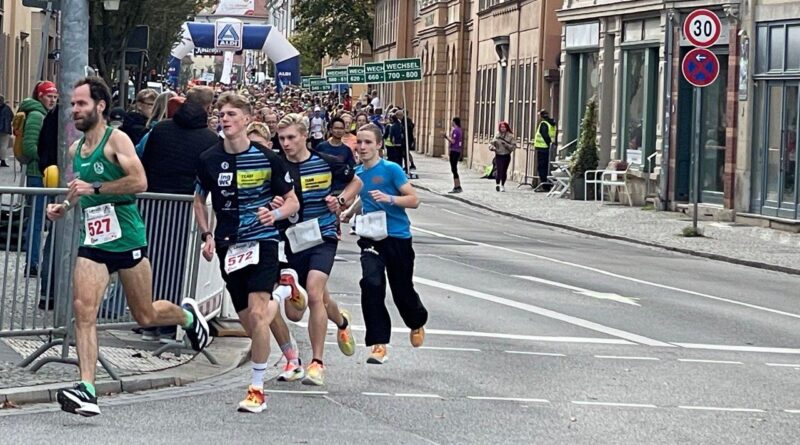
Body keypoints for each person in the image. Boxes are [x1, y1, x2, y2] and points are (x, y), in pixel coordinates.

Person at [47, 76, 210, 417]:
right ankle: (87, 388)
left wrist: (94, 188)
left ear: (100, 106)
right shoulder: (77, 150)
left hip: (127, 236)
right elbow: (81, 192)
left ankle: (187, 317)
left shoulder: (116, 139)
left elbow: (139, 181)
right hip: (93, 241)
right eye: (73, 104)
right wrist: (63, 207)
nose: (75, 110)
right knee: (84, 310)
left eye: (81, 104)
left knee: (145, 313)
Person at [194, 92, 299, 413]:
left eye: (230, 114)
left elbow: (292, 201)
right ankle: (282, 294)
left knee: (257, 312)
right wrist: (207, 235)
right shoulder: (209, 159)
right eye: (220, 114)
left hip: (263, 242)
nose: (224, 119)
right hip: (229, 245)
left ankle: (256, 388)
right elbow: (199, 200)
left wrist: (275, 215)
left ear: (246, 119)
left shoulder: (268, 159)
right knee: (252, 324)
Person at [267, 113, 361, 386]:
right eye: (282, 138)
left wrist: (341, 200)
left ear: (305, 136)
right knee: (295, 312)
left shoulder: (326, 162)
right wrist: (273, 202)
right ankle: (342, 321)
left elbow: (357, 182)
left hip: (322, 235)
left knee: (316, 295)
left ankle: (317, 363)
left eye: (291, 137)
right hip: (289, 240)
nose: (286, 143)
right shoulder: (275, 165)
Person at [348, 123, 427, 364]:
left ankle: (416, 321)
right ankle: (378, 344)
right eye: (359, 142)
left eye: (368, 142)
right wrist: (349, 211)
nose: (362, 147)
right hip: (371, 238)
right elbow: (364, 199)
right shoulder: (357, 174)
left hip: (398, 237)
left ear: (379, 145)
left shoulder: (391, 169)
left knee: (402, 290)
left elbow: (414, 200)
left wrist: (390, 198)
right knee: (371, 284)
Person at [20, 81, 58, 277]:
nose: (52, 99)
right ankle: (33, 263)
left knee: (40, 220)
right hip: (38, 174)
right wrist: (48, 159)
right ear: (40, 96)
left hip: (43, 173)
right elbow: (29, 146)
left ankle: (36, 262)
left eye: (54, 96)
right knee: (36, 221)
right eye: (48, 96)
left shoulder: (42, 114)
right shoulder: (37, 115)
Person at [489, 121, 515, 192]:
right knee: (499, 170)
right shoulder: (497, 135)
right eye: (501, 127)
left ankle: (502, 185)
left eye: (504, 127)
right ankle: (497, 184)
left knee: (504, 171)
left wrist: (506, 145)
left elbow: (513, 147)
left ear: (506, 128)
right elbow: (491, 143)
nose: (502, 128)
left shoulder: (510, 136)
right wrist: (492, 148)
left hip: (506, 155)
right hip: (498, 155)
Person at [534, 110, 556, 191]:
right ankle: (546, 184)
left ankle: (544, 185)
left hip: (543, 148)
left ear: (541, 116)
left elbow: (545, 136)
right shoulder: (551, 123)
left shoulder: (544, 124)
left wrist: (548, 144)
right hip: (548, 148)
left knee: (542, 167)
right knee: (546, 167)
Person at [0, 95, 12, 167]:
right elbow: (12, 116)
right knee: (3, 145)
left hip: (4, 128)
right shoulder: (7, 108)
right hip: (5, 129)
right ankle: (3, 161)